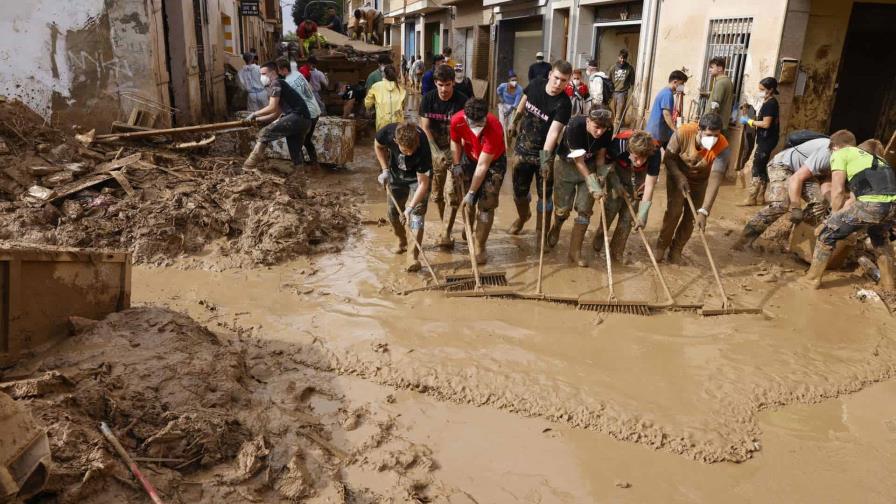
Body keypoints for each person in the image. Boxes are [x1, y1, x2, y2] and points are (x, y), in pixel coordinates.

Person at [803, 131, 896, 289]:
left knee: (826, 234)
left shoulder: (841, 153)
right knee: (879, 239)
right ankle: (888, 284)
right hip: (892, 207)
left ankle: (811, 280)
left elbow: (838, 191)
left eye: (831, 151)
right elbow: (853, 199)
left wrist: (829, 221)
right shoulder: (877, 159)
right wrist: (838, 218)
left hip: (872, 205)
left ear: (835, 146)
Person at [731, 134, 843, 250]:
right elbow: (796, 178)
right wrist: (796, 206)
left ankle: (793, 240)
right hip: (783, 165)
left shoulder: (842, 158)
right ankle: (743, 241)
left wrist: (833, 203)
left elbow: (827, 184)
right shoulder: (827, 153)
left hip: (804, 172)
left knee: (820, 203)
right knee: (780, 205)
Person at [506, 60, 574, 241]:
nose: (558, 84)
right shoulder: (536, 84)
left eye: (564, 81)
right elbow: (523, 101)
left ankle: (540, 232)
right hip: (522, 149)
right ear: (550, 74)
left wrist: (544, 160)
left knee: (545, 196)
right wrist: (514, 121)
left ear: (568, 82)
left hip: (544, 154)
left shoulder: (564, 104)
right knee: (519, 193)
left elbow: (553, 134)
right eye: (557, 78)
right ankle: (522, 217)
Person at [656, 112, 731, 263]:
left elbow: (715, 179)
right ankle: (661, 247)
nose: (713, 140)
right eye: (709, 135)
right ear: (699, 130)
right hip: (677, 175)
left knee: (692, 217)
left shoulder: (722, 146)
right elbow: (668, 159)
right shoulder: (683, 133)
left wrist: (705, 210)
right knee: (674, 212)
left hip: (700, 181)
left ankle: (676, 250)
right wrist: (679, 176)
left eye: (716, 135)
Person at [444, 98, 508, 264]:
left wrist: (473, 192)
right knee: (464, 199)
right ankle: (468, 228)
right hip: (469, 158)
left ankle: (480, 245)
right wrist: (456, 163)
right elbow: (455, 141)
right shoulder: (457, 121)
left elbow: (483, 166)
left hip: (493, 163)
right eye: (475, 123)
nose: (479, 127)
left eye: (481, 122)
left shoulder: (494, 127)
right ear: (466, 119)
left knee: (487, 204)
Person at [550, 107, 613, 265]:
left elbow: (600, 155)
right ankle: (557, 226)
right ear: (588, 121)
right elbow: (578, 161)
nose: (599, 132)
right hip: (566, 165)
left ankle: (575, 252)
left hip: (590, 166)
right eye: (596, 127)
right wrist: (592, 183)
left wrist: (600, 176)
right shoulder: (574, 126)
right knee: (562, 209)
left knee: (584, 211)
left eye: (603, 128)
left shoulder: (607, 130)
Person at [596, 128, 663, 259]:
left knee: (628, 216)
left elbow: (649, 185)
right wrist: (616, 184)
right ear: (629, 150)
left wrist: (643, 215)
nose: (639, 162)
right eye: (636, 157)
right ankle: (600, 234)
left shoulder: (654, 152)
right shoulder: (618, 144)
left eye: (643, 158)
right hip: (618, 170)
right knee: (611, 207)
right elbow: (607, 166)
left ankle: (616, 251)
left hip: (640, 176)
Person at [375, 121, 432, 272]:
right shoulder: (387, 132)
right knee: (393, 213)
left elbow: (423, 184)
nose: (410, 153)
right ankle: (401, 240)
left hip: (417, 179)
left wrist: (410, 208)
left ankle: (412, 256)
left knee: (416, 217)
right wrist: (384, 169)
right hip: (396, 176)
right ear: (395, 141)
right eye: (405, 150)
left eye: (412, 150)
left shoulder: (423, 146)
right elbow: (378, 146)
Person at [420, 64, 468, 228]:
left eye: (448, 85)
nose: (444, 89)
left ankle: (447, 231)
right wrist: (435, 152)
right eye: (440, 85)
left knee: (452, 193)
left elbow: (466, 131)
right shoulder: (428, 99)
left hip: (455, 149)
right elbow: (425, 127)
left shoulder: (462, 101)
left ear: (453, 83)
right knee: (437, 195)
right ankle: (443, 223)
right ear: (435, 83)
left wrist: (458, 160)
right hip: (435, 150)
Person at [242, 61, 312, 169]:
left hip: (297, 117)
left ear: (273, 72)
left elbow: (272, 107)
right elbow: (276, 113)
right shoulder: (280, 84)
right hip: (304, 120)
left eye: (264, 74)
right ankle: (300, 175)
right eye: (260, 74)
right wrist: (258, 120)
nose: (262, 77)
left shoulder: (276, 83)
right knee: (294, 149)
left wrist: (254, 114)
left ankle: (249, 165)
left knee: (265, 132)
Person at [738, 77, 780, 206]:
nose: (760, 92)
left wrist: (750, 121)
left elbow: (766, 124)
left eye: (762, 90)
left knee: (757, 167)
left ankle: (751, 198)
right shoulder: (768, 102)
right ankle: (760, 197)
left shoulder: (770, 104)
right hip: (767, 138)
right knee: (762, 168)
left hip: (767, 139)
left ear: (771, 89)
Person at [280, 57, 322, 167]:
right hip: (315, 111)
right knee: (306, 140)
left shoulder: (287, 82)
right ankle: (315, 164)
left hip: (306, 114)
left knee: (296, 141)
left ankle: (301, 169)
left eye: (278, 70)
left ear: (284, 69)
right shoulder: (298, 74)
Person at [645, 70, 688, 149]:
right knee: (655, 156)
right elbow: (666, 114)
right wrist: (675, 129)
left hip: (661, 132)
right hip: (657, 133)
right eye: (681, 84)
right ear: (675, 82)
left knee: (671, 154)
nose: (682, 86)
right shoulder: (667, 94)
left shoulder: (666, 92)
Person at [364, 65, 406, 131]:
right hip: (398, 125)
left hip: (382, 125)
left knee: (381, 140)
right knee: (397, 140)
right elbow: (403, 106)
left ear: (383, 75)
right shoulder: (401, 89)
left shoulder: (376, 87)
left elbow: (367, 104)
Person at [704, 56, 734, 135]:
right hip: (721, 124)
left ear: (720, 68)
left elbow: (715, 106)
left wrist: (707, 123)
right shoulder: (727, 81)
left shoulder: (721, 83)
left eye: (711, 67)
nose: (709, 70)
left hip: (714, 125)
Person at [607, 49, 635, 128]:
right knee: (613, 113)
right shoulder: (613, 68)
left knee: (618, 115)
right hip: (613, 92)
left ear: (626, 59)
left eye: (624, 58)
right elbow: (608, 80)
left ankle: (615, 132)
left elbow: (632, 82)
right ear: (618, 57)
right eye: (621, 58)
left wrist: (632, 94)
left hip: (623, 93)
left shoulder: (629, 68)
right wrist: (610, 91)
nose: (622, 60)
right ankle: (616, 128)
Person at [496, 71, 523, 140]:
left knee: (511, 125)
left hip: (512, 107)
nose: (515, 82)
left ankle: (509, 138)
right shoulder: (503, 86)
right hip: (503, 105)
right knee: (502, 123)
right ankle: (501, 137)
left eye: (516, 80)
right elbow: (498, 91)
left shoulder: (519, 89)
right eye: (512, 80)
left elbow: (516, 102)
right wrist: (500, 97)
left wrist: (509, 111)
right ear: (508, 81)